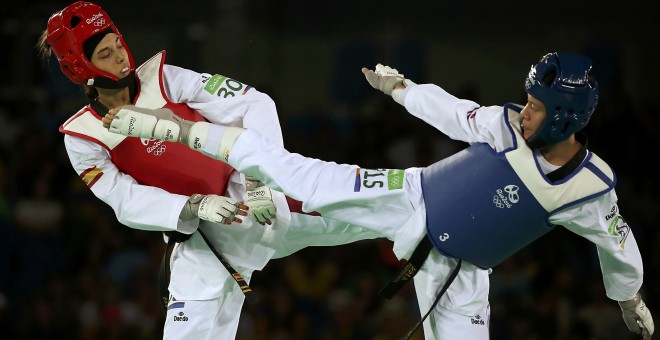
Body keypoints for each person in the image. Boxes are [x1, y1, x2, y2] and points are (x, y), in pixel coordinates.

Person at [106, 52, 654, 339]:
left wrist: (629, 298)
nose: (523, 110)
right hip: (412, 195)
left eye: (537, 106)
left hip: (460, 259)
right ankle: (173, 129)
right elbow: (455, 112)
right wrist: (401, 89)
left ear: (565, 117)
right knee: (301, 176)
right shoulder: (508, 123)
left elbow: (617, 245)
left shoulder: (591, 188)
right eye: (526, 100)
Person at [37, 2, 380, 339]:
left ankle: (427, 208)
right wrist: (193, 206)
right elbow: (125, 200)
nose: (121, 56)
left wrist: (258, 179)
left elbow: (254, 102)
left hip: (255, 197)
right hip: (202, 238)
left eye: (118, 45)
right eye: (105, 54)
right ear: (81, 69)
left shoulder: (166, 79)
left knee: (369, 209)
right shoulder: (84, 137)